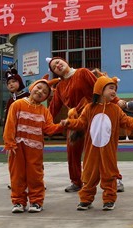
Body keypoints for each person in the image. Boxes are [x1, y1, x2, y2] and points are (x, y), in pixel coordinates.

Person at [62, 76, 133, 211]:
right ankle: (86, 199)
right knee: (89, 175)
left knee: (109, 175)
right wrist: (69, 122)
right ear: (100, 89)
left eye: (115, 89)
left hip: (108, 151)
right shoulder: (89, 108)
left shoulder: (116, 109)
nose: (114, 91)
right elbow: (81, 123)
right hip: (91, 150)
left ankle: (109, 199)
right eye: (111, 88)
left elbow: (126, 121)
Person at [47, 57, 125, 193]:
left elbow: (100, 86)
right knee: (72, 152)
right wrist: (41, 121)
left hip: (93, 115)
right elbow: (53, 108)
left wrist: (116, 101)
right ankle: (76, 181)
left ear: (65, 62)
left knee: (103, 149)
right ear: (55, 73)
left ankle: (114, 179)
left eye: (58, 62)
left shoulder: (82, 72)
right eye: (54, 67)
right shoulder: (59, 87)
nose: (57, 66)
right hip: (75, 120)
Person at [3, 76, 64, 213]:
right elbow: (10, 124)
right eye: (39, 87)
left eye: (45, 92)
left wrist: (62, 125)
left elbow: (49, 129)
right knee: (17, 175)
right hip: (17, 147)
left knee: (35, 175)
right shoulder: (17, 104)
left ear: (46, 98)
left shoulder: (44, 111)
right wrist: (9, 143)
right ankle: (18, 201)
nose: (40, 92)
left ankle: (36, 201)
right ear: (32, 88)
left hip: (35, 149)